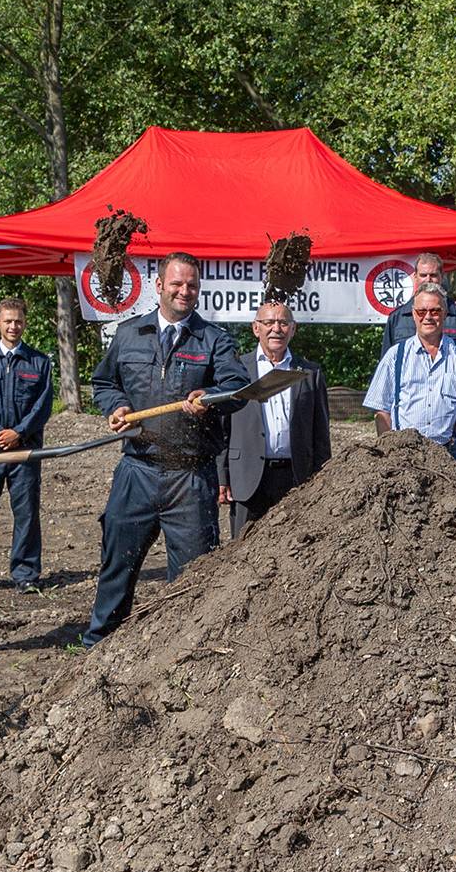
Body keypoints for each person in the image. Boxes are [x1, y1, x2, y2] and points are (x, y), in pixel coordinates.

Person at [85, 252, 249, 647]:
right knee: (117, 564)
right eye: (177, 284)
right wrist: (117, 406)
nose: (184, 291)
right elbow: (103, 383)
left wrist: (210, 396)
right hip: (137, 470)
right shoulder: (128, 334)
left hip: (190, 477)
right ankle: (98, 644)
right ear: (159, 285)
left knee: (195, 575)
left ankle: (184, 650)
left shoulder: (214, 339)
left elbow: (238, 388)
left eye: (192, 285)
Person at [217, 299, 332, 539]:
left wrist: (324, 478)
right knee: (242, 551)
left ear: (293, 328)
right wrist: (222, 476)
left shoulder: (310, 372)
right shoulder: (236, 369)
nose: (276, 329)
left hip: (296, 477)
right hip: (247, 477)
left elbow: (320, 434)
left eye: (283, 322)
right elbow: (223, 429)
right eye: (268, 322)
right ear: (256, 328)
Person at [0, 297, 52, 593]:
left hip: (25, 451)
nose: (13, 326)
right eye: (8, 321)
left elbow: (42, 407)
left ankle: (26, 574)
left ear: (24, 323)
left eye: (18, 321)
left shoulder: (39, 362)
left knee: (26, 513)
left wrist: (17, 432)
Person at [363, 284, 456, 468]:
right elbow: (381, 410)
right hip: (406, 455)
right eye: (422, 311)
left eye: (435, 311)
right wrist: (389, 455)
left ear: (445, 314)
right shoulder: (395, 356)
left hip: (454, 455)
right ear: (414, 314)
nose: (428, 317)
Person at [378, 252, 456, 353]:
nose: (428, 280)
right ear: (415, 277)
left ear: (442, 276)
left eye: (433, 275)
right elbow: (387, 362)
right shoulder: (397, 317)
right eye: (423, 275)